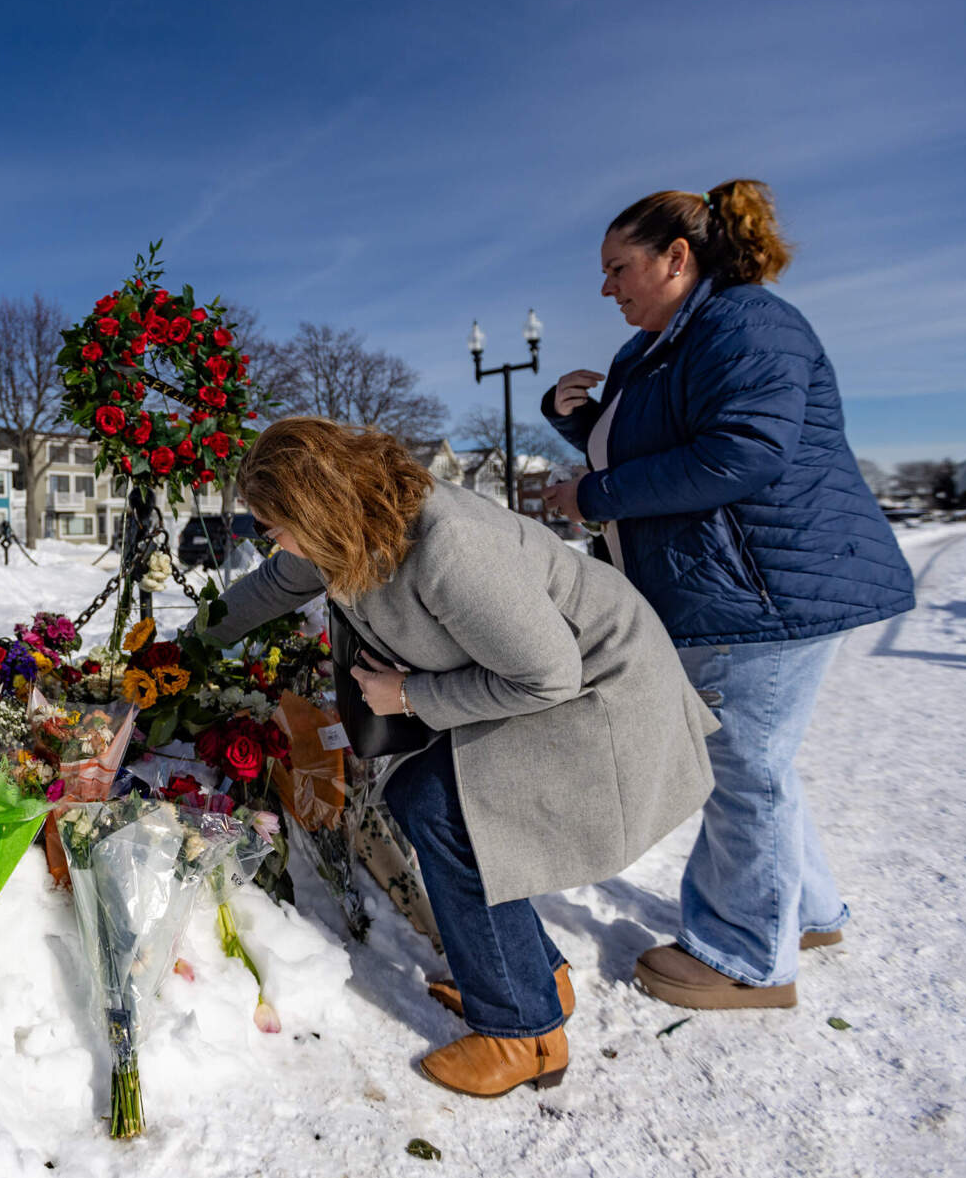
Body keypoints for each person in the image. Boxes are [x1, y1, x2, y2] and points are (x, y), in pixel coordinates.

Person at [208, 416, 716, 1097]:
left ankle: (523, 1030)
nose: (272, 538)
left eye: (276, 523)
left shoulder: (450, 547)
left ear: (315, 507)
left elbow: (549, 675)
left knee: (445, 810)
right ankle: (533, 974)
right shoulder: (350, 527)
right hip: (540, 680)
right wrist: (185, 646)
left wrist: (409, 694)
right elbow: (272, 584)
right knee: (424, 798)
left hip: (597, 688)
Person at [540, 179, 914, 1010]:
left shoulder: (746, 321)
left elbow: (742, 452)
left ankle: (746, 954)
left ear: (677, 257)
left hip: (759, 593)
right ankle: (804, 911)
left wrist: (591, 497)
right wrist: (585, 423)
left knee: (742, 769)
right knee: (754, 762)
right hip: (735, 587)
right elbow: (670, 438)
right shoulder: (680, 338)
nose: (606, 287)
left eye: (617, 266)